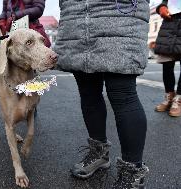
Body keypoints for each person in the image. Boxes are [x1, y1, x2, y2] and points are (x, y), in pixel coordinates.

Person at [54, 1, 149, 188]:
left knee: (123, 95)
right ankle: (99, 154)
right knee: (88, 93)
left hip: (118, 13)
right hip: (76, 16)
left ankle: (132, 172)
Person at [154, 0, 181, 117]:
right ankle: (169, 96)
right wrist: (162, 7)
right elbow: (164, 1)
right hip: (170, 24)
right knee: (167, 64)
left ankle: (179, 98)